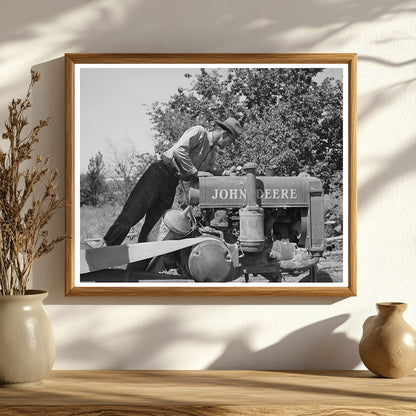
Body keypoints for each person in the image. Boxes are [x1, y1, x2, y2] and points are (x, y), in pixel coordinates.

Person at [103, 117, 242, 246]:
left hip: (171, 183)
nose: (228, 145)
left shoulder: (211, 154)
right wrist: (194, 172)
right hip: (158, 174)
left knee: (154, 229)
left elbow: (207, 173)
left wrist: (225, 173)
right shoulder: (199, 132)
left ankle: (138, 268)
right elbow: (179, 150)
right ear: (224, 134)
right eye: (230, 141)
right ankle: (104, 255)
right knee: (130, 216)